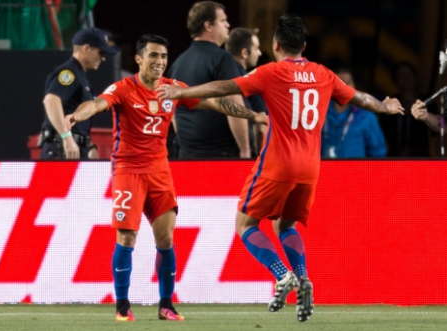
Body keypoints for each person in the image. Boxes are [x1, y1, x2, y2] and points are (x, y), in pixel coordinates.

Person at [156, 14, 404, 322]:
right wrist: (384, 105)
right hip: (310, 168)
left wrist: (182, 92)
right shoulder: (323, 73)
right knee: (285, 226)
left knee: (245, 224)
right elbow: (358, 98)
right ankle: (302, 279)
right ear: (304, 45)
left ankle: (281, 273)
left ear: (276, 45)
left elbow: (224, 87)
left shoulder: (271, 72)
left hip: (277, 163)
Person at [64, 34, 266, 322]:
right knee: (127, 236)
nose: (159, 62)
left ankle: (166, 305)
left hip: (160, 171)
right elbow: (97, 104)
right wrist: (76, 116)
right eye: (153, 56)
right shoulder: (123, 89)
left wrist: (253, 115)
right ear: (139, 59)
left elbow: (217, 104)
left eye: (163, 57)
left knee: (166, 238)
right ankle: (122, 306)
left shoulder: (174, 90)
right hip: (128, 170)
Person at [168, 1, 250, 159]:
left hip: (185, 155)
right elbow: (234, 106)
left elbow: (170, 107)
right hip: (219, 156)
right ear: (208, 26)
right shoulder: (222, 58)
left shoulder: (178, 62)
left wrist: (187, 142)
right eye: (223, 20)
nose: (228, 25)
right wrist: (245, 151)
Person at [39, 27, 118, 159]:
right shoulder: (69, 73)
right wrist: (67, 138)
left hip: (74, 149)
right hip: (61, 150)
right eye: (101, 52)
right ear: (86, 48)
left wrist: (89, 145)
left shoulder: (80, 75)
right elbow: (51, 100)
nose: (103, 58)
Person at [321, 68, 387, 158]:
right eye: (341, 82)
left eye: (349, 82)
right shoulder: (318, 113)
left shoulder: (367, 117)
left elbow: (379, 153)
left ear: (354, 86)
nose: (345, 86)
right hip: (321, 170)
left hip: (354, 171)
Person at [225, 27, 268, 157]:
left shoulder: (217, 76)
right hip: (243, 158)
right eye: (256, 48)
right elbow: (261, 129)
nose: (259, 53)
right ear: (244, 53)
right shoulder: (250, 82)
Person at [379, 62, 431, 157]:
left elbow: (436, 133)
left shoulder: (427, 102)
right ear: (395, 80)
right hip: (394, 157)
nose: (406, 79)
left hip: (420, 158)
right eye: (402, 76)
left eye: (409, 74)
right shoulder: (389, 103)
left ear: (415, 78)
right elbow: (382, 135)